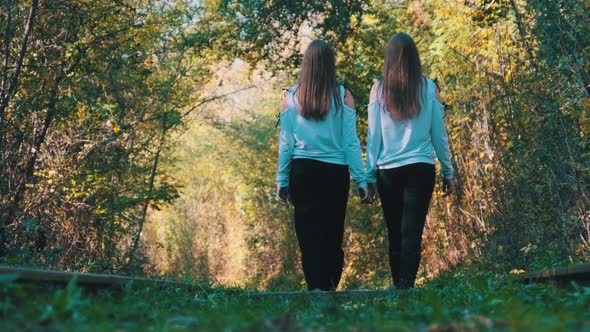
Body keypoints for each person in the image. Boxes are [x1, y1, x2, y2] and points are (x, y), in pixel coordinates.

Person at [275, 39, 370, 291]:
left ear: (306, 65)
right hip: (334, 173)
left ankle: (317, 291)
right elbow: (351, 142)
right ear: (331, 64)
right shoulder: (343, 96)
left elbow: (286, 144)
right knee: (332, 234)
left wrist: (281, 180)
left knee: (308, 237)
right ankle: (329, 287)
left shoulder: (291, 97)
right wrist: (361, 180)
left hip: (303, 172)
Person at [366, 32, 454, 290]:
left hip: (387, 171)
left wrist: (368, 176)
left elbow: (374, 138)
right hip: (420, 169)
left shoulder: (378, 90)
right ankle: (406, 287)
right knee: (412, 232)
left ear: (389, 58)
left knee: (395, 232)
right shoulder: (430, 88)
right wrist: (448, 170)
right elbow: (439, 135)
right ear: (415, 57)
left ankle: (399, 287)